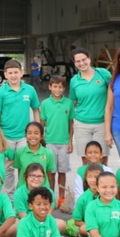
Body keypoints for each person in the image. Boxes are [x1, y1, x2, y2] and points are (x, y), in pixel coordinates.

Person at [0, 59, 40, 197]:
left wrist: (38, 130)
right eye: (10, 73)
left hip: (25, 136)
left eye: (16, 72)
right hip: (6, 136)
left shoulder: (30, 90)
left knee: (25, 166)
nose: (13, 75)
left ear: (22, 73)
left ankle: (24, 194)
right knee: (8, 168)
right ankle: (10, 196)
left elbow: (36, 109)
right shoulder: (0, 92)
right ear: (5, 75)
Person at [40, 75, 75, 209]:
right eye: (55, 86)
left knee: (62, 171)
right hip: (49, 142)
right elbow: (42, 123)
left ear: (64, 88)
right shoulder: (45, 104)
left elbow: (71, 123)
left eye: (60, 87)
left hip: (64, 143)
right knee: (51, 172)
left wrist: (71, 142)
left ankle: (61, 197)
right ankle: (50, 197)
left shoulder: (68, 103)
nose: (58, 89)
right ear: (50, 87)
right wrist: (41, 142)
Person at [11, 122, 55, 191]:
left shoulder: (48, 153)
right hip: (24, 191)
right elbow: (20, 172)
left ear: (41, 136)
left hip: (42, 191)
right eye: (29, 133)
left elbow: (49, 176)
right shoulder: (20, 152)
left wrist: (50, 194)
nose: (32, 136)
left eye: (36, 133)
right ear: (25, 135)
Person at [70, 163, 103, 237]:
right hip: (89, 227)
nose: (93, 180)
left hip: (105, 225)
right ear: (86, 178)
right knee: (83, 229)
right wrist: (93, 226)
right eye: (89, 177)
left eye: (96, 177)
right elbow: (77, 221)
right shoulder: (83, 198)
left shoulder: (106, 195)